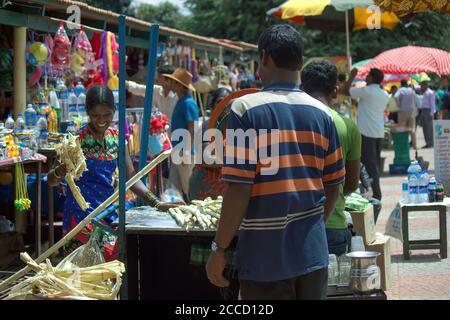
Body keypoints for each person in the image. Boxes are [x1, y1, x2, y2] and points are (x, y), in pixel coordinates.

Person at [206, 24, 344, 300]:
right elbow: (333, 185)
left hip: (263, 262)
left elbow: (239, 190)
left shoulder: (245, 109)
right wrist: (311, 228)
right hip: (313, 258)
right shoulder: (323, 114)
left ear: (264, 58)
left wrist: (219, 250)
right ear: (301, 64)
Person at [48, 85, 178, 259]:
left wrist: (155, 202)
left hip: (108, 213)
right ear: (87, 112)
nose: (101, 120)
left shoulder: (116, 140)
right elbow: (51, 180)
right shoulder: (74, 141)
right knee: (88, 270)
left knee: (113, 266)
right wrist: (60, 171)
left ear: (114, 111)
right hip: (81, 217)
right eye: (95, 115)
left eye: (107, 114)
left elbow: (130, 177)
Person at [301, 60, 361, 256]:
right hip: (334, 224)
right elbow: (351, 183)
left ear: (301, 89)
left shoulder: (292, 122)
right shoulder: (347, 126)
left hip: (296, 225)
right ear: (335, 91)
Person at [343, 68, 389, 201]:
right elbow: (368, 105)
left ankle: (376, 193)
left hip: (366, 132)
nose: (365, 78)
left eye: (367, 76)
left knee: (368, 164)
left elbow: (345, 91)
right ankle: (370, 189)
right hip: (378, 131)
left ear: (371, 78)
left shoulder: (367, 91)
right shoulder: (384, 93)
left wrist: (351, 76)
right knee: (371, 163)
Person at [189, 87, 231, 201]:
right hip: (204, 186)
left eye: (228, 101)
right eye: (220, 101)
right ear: (213, 106)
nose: (224, 104)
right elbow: (206, 158)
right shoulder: (207, 126)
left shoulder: (235, 128)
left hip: (225, 187)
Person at [165, 68, 200, 201]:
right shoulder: (181, 101)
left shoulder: (188, 103)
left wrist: (186, 151)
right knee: (173, 188)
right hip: (178, 151)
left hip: (185, 152)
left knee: (188, 189)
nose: (170, 84)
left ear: (180, 85)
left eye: (173, 82)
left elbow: (192, 129)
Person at [395, 80, 418, 148]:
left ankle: (404, 145)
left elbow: (396, 97)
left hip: (402, 112)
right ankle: (414, 146)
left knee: (402, 129)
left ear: (401, 84)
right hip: (411, 112)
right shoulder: (412, 90)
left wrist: (399, 105)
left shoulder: (400, 90)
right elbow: (416, 100)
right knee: (412, 129)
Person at [417, 81, 436, 148]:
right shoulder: (424, 93)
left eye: (422, 86)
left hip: (428, 111)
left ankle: (431, 143)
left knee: (429, 128)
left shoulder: (430, 93)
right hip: (423, 111)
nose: (421, 87)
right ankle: (427, 143)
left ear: (425, 85)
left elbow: (432, 104)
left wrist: (431, 114)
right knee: (425, 128)